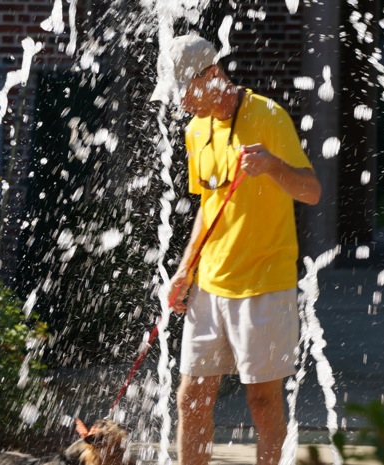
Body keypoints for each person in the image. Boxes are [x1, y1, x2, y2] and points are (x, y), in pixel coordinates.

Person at [150, 33, 322, 465]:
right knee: (191, 396)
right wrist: (185, 271)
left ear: (212, 75)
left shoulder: (268, 116)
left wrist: (272, 165)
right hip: (209, 286)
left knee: (263, 403)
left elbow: (313, 191)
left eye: (185, 91)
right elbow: (207, 210)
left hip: (264, 285)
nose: (181, 103)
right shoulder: (196, 130)